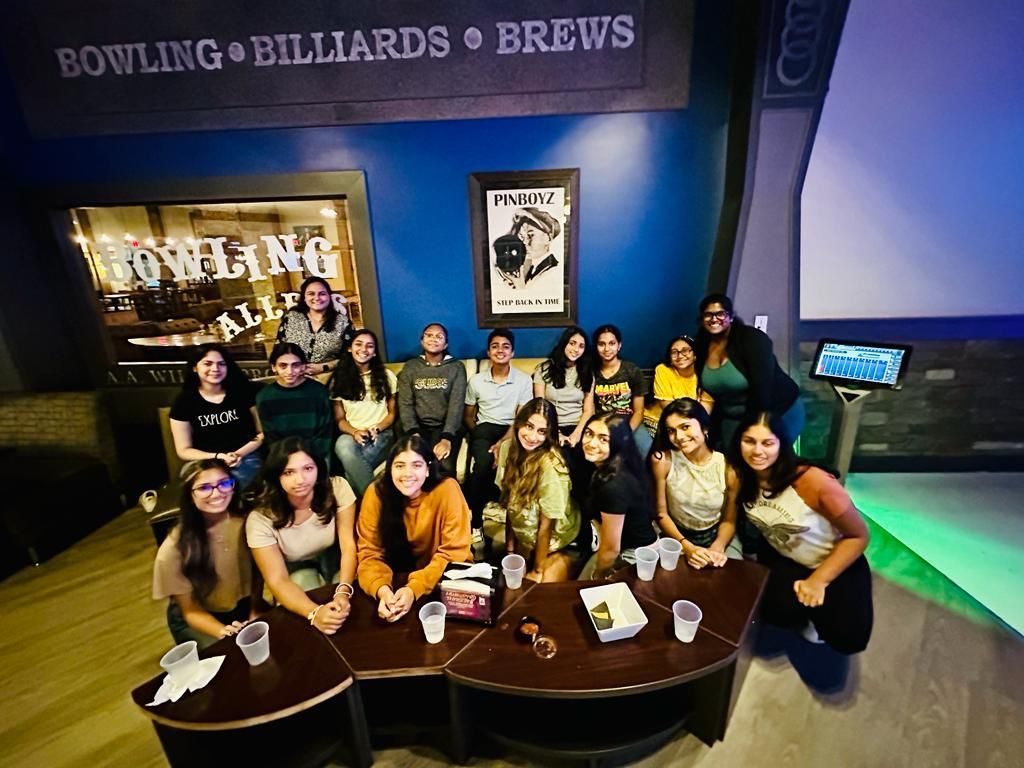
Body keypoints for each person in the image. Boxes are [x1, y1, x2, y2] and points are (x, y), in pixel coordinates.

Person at [732, 412, 873, 653]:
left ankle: (820, 615)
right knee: (775, 614)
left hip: (832, 560)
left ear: (782, 444)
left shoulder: (816, 483)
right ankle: (804, 614)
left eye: (767, 443)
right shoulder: (741, 475)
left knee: (849, 641)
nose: (757, 451)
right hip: (785, 556)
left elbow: (859, 536)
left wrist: (819, 580)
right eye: (749, 441)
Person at [246, 438, 357, 635]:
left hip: (334, 556)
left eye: (307, 468)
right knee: (307, 617)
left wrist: (343, 591)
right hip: (294, 567)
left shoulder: (337, 488)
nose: (301, 480)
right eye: (289, 472)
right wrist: (313, 613)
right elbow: (277, 579)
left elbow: (348, 545)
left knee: (348, 608)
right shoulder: (260, 519)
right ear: (276, 475)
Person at [356, 436, 472, 622]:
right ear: (390, 469)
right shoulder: (376, 493)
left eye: (416, 465)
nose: (407, 473)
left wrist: (414, 589)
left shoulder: (447, 490)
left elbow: (454, 553)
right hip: (394, 582)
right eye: (400, 465)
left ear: (428, 469)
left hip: (439, 579)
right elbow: (369, 554)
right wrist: (382, 590)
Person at [152, 459, 254, 648]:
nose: (217, 493)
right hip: (199, 616)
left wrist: (255, 611)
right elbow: (189, 610)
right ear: (190, 495)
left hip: (242, 606)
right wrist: (223, 631)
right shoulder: (174, 548)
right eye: (204, 488)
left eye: (224, 483)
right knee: (229, 656)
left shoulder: (248, 524)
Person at [693, 294, 804, 451]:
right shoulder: (702, 344)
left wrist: (756, 427)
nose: (714, 319)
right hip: (733, 416)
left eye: (720, 314)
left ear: (730, 317)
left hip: (774, 410)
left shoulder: (751, 339)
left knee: (766, 460)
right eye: (708, 314)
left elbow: (763, 386)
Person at [487, 398, 581, 582]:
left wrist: (537, 571)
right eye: (528, 426)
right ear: (519, 423)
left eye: (542, 431)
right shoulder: (507, 448)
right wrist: (510, 551)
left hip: (558, 540)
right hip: (526, 532)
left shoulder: (551, 465)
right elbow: (510, 506)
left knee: (537, 590)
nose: (532, 437)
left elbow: (547, 527)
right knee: (505, 583)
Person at [463, 328, 534, 548]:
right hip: (484, 428)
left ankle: (511, 516)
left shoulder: (522, 381)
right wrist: (480, 438)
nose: (500, 350)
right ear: (488, 351)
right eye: (495, 346)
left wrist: (501, 443)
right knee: (483, 465)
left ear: (512, 352)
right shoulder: (476, 381)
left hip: (512, 429)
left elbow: (522, 419)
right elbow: (468, 416)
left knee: (509, 463)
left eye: (505, 346)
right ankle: (474, 523)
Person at [650, 398, 739, 568]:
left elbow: (729, 521)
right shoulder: (663, 460)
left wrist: (717, 548)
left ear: (704, 428)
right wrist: (687, 546)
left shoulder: (728, 467)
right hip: (674, 535)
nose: (679, 437)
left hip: (716, 535)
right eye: (671, 431)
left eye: (685, 427)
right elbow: (661, 514)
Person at [169, 344, 263, 488]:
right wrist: (219, 457)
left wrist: (237, 455)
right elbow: (183, 450)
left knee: (233, 484)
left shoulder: (243, 393)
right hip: (203, 461)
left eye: (221, 364)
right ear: (195, 367)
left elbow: (261, 434)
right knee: (209, 486)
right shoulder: (184, 402)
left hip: (245, 457)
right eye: (208, 363)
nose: (215, 369)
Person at [576, 413, 657, 579]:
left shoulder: (613, 485)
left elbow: (612, 549)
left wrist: (598, 575)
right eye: (589, 433)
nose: (591, 443)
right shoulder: (609, 464)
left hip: (636, 554)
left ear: (618, 442)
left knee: (583, 589)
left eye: (603, 439)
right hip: (621, 544)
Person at [329, 329, 397, 496]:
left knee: (350, 475)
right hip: (352, 434)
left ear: (374, 353)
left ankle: (367, 507)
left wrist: (378, 428)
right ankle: (377, 503)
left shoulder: (387, 376)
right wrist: (355, 432)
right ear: (349, 348)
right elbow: (340, 419)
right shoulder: (338, 379)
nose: (364, 349)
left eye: (370, 346)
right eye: (358, 344)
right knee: (342, 445)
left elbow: (392, 414)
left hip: (381, 433)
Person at [396, 323, 467, 478]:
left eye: (439, 336)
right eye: (429, 335)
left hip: (444, 427)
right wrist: (413, 432)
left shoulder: (456, 367)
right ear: (422, 341)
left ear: (446, 344)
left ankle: (446, 501)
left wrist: (446, 438)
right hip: (417, 426)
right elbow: (405, 402)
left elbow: (456, 404)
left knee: (443, 464)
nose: (434, 339)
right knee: (414, 462)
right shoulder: (411, 367)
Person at [256, 343, 333, 466]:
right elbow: (271, 436)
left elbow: (325, 432)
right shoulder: (264, 397)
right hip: (282, 457)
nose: (290, 371)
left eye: (295, 365)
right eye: (283, 366)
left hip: (317, 455)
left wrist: (309, 457)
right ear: (273, 367)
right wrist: (288, 458)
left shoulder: (319, 392)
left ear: (303, 366)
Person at [591, 324, 652, 456]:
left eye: (612, 343)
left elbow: (639, 410)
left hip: (629, 421)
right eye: (602, 344)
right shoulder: (591, 372)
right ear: (596, 347)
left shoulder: (632, 370)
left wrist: (627, 433)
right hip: (603, 422)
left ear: (619, 345)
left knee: (645, 448)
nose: (607, 348)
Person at [276, 276, 354, 376]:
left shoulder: (342, 322)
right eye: (311, 294)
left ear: (329, 297)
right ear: (304, 297)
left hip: (329, 380)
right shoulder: (291, 318)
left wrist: (324, 367)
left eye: (322, 294)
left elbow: (350, 356)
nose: (317, 298)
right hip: (294, 379)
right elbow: (278, 351)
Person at [532, 326, 595, 448]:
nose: (576, 349)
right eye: (572, 343)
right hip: (551, 425)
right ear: (564, 344)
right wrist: (557, 433)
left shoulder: (587, 373)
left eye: (581, 346)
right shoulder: (543, 369)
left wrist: (577, 434)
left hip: (578, 426)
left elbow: (588, 410)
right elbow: (540, 406)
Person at [642, 335, 713, 436]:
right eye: (674, 352)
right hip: (659, 421)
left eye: (685, 350)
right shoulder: (663, 370)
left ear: (695, 355)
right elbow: (668, 407)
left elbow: (704, 412)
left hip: (692, 424)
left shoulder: (706, 375)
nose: (680, 356)